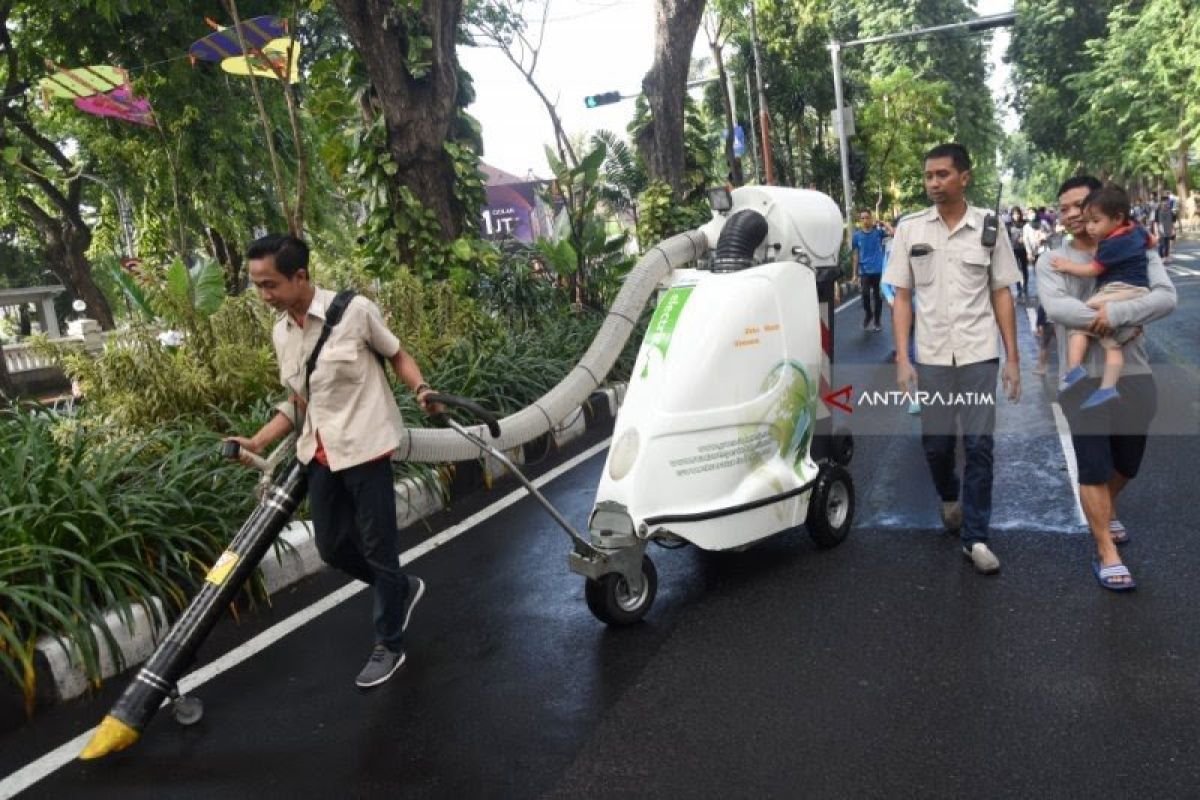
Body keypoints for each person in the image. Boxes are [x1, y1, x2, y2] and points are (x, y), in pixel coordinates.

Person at [227, 234, 438, 687]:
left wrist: (421, 389)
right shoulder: (281, 332)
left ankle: (389, 644)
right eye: (257, 286)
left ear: (300, 276)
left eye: (270, 285)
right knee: (333, 547)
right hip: (318, 454)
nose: (263, 296)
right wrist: (259, 441)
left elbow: (397, 353)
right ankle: (400, 589)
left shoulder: (355, 312)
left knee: (379, 548)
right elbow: (299, 399)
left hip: (365, 447)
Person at [883, 143, 1022, 575]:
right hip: (934, 357)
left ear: (964, 177)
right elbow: (902, 297)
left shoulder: (989, 226)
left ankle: (976, 537)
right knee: (938, 445)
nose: (933, 183)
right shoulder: (910, 229)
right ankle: (948, 495)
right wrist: (904, 359)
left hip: (979, 353)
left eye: (942, 174)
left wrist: (1012, 358)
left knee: (980, 445)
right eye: (928, 176)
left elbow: (1002, 292)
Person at [1036, 176, 1176, 592]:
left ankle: (1106, 509)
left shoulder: (1135, 246)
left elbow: (1166, 298)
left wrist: (1113, 316)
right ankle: (1106, 553)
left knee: (1127, 463)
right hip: (1082, 379)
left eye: (1081, 205)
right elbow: (1057, 308)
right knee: (1093, 466)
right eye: (1064, 208)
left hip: (1134, 372)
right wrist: (1111, 317)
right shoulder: (1051, 261)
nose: (1073, 214)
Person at [1051, 185, 1153, 409]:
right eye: (1064, 209)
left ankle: (1074, 370)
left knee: (1079, 326)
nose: (1089, 226)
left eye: (1094, 221)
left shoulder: (1111, 245)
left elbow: (1093, 270)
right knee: (1112, 345)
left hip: (1119, 289)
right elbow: (1151, 241)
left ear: (1117, 218)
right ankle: (1108, 388)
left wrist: (1066, 265)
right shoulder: (1136, 230)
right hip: (1139, 291)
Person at [852, 209, 892, 331]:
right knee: (865, 296)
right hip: (864, 271)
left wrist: (882, 222)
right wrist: (854, 274)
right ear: (860, 221)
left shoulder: (878, 233)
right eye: (862, 218)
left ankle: (877, 321)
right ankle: (869, 314)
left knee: (877, 297)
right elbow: (855, 255)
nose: (865, 220)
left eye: (867, 218)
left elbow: (893, 232)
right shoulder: (857, 236)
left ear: (871, 218)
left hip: (878, 270)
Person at [1007, 206, 1030, 301]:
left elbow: (1029, 234)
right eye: (1014, 214)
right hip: (1014, 250)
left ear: (1020, 214)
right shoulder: (1009, 225)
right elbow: (1006, 238)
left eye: (1017, 213)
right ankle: (1018, 288)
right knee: (1016, 269)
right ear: (1011, 215)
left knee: (1024, 268)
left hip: (1024, 249)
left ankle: (1025, 286)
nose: (1016, 215)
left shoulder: (1025, 223)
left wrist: (1024, 239)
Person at [1152, 196, 1175, 260]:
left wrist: (1173, 230)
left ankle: (1166, 256)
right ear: (1161, 202)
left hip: (1168, 229)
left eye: (1167, 202)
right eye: (1164, 201)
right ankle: (1161, 257)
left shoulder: (1170, 211)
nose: (1166, 203)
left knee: (1167, 244)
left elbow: (1172, 221)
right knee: (1161, 244)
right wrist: (1156, 232)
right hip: (1160, 230)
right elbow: (1155, 222)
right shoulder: (1157, 211)